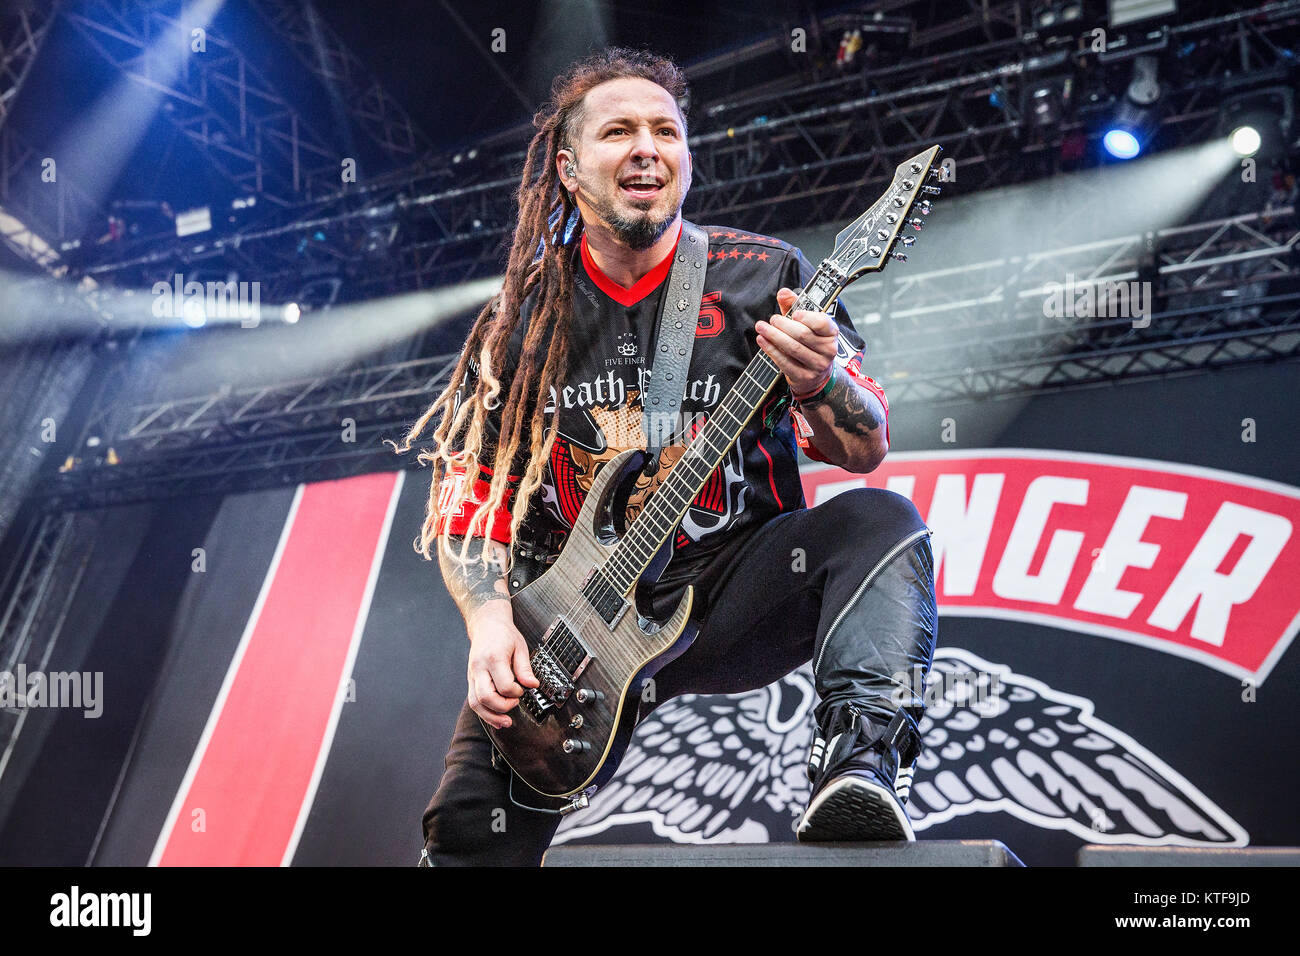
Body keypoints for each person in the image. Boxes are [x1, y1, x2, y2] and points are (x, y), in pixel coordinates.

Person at [394, 48, 937, 867]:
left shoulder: (764, 277)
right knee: (466, 838)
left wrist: (820, 381)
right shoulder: (524, 319)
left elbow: (862, 446)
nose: (648, 146)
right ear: (571, 170)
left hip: (729, 592)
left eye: (666, 131)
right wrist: (489, 621)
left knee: (882, 525)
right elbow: (473, 491)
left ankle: (858, 768)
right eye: (620, 131)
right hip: (569, 625)